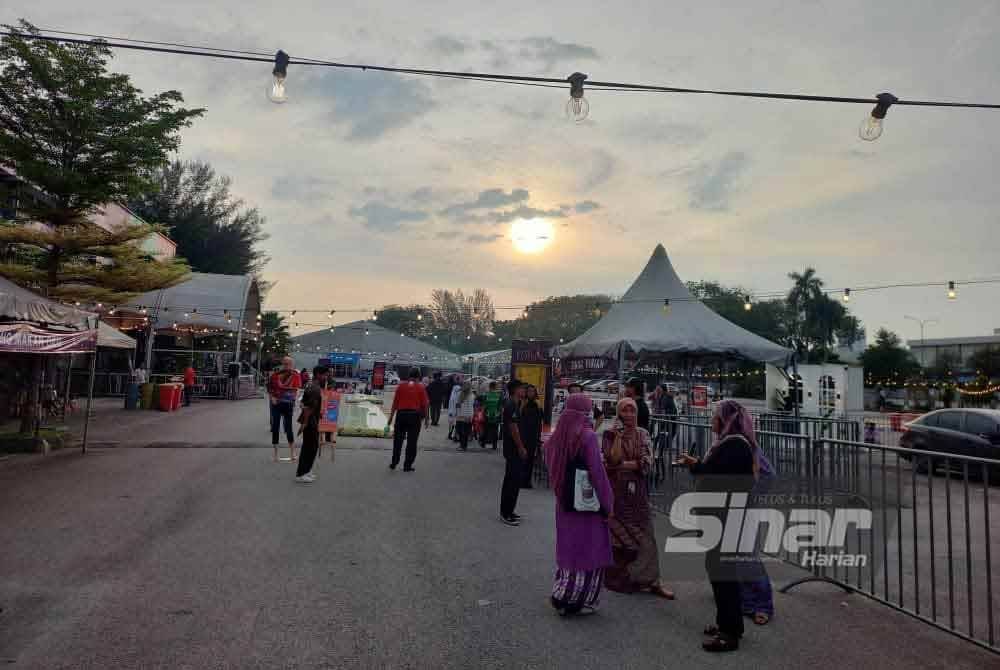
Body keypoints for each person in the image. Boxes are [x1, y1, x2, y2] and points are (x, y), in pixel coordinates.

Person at [676, 400, 761, 653]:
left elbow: (719, 479)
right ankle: (728, 623)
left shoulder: (735, 445)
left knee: (722, 571)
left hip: (725, 516)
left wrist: (696, 466)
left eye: (715, 416)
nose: (711, 419)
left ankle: (729, 633)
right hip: (722, 515)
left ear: (726, 420)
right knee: (719, 569)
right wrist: (697, 465)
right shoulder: (729, 443)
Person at [543, 393, 614, 616]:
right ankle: (579, 599)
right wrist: (608, 504)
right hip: (587, 505)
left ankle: (562, 593)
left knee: (569, 547)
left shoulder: (556, 437)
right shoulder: (587, 436)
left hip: (564, 504)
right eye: (589, 410)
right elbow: (598, 474)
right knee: (589, 549)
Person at [602, 397, 675, 599]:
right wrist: (618, 437)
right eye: (624, 411)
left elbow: (646, 462)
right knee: (618, 536)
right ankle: (621, 578)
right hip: (617, 493)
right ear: (618, 414)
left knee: (646, 536)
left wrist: (622, 465)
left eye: (632, 410)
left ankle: (652, 581)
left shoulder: (643, 433)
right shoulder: (609, 434)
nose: (629, 415)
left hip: (637, 494)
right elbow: (610, 460)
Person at [388, 368, 430, 471]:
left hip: (401, 415)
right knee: (412, 442)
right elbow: (425, 405)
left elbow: (395, 403)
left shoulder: (401, 386)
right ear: (418, 377)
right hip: (414, 417)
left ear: (409, 375)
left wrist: (391, 418)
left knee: (398, 441)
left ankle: (394, 462)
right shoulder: (421, 387)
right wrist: (427, 419)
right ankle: (407, 465)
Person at [499, 380, 528, 526]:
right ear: (515, 390)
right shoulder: (511, 405)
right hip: (513, 449)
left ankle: (510, 510)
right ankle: (505, 513)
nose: (524, 390)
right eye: (522, 388)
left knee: (515, 481)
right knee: (511, 481)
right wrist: (521, 447)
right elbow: (513, 428)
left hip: (514, 449)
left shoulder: (516, 404)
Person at [294, 365, 329, 483]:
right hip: (310, 421)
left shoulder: (312, 385)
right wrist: (304, 423)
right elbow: (308, 407)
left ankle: (307, 470)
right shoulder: (315, 388)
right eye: (325, 375)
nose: (326, 377)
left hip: (312, 419)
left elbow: (302, 403)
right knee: (310, 447)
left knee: (311, 447)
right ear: (318, 374)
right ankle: (301, 473)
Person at [268, 357, 301, 462]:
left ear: (292, 364)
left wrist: (295, 399)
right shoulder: (275, 375)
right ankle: (275, 454)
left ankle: (292, 452)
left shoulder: (295, 375)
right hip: (276, 404)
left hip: (288, 404)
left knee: (289, 428)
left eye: (289, 363)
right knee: (275, 427)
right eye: (285, 363)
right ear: (282, 363)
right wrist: (272, 398)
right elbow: (270, 388)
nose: (287, 365)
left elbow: (297, 389)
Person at [519, 384, 543, 488]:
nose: (531, 393)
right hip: (523, 435)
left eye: (533, 391)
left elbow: (541, 419)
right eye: (529, 391)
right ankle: (520, 480)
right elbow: (518, 417)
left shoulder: (537, 404)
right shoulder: (522, 403)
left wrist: (540, 407)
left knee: (530, 459)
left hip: (533, 435)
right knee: (522, 459)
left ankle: (527, 481)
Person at [480, 381, 503, 449]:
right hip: (496, 415)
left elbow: (484, 406)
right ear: (495, 387)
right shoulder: (499, 395)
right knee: (495, 430)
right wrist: (500, 414)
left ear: (489, 387)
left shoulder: (486, 395)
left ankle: (483, 443)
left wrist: (482, 414)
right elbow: (500, 407)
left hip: (487, 415)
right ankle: (494, 445)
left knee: (486, 429)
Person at [454, 382, 475, 450]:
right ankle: (462, 445)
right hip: (463, 416)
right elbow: (457, 405)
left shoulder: (469, 395)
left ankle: (463, 446)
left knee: (463, 432)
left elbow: (469, 407)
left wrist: (469, 416)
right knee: (462, 431)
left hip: (464, 416)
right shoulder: (462, 394)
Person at [446, 376, 462, 442]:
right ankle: (455, 436)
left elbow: (450, 402)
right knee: (456, 423)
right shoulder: (459, 392)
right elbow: (458, 402)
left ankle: (450, 434)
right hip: (456, 410)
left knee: (451, 423)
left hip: (451, 410)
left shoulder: (452, 392)